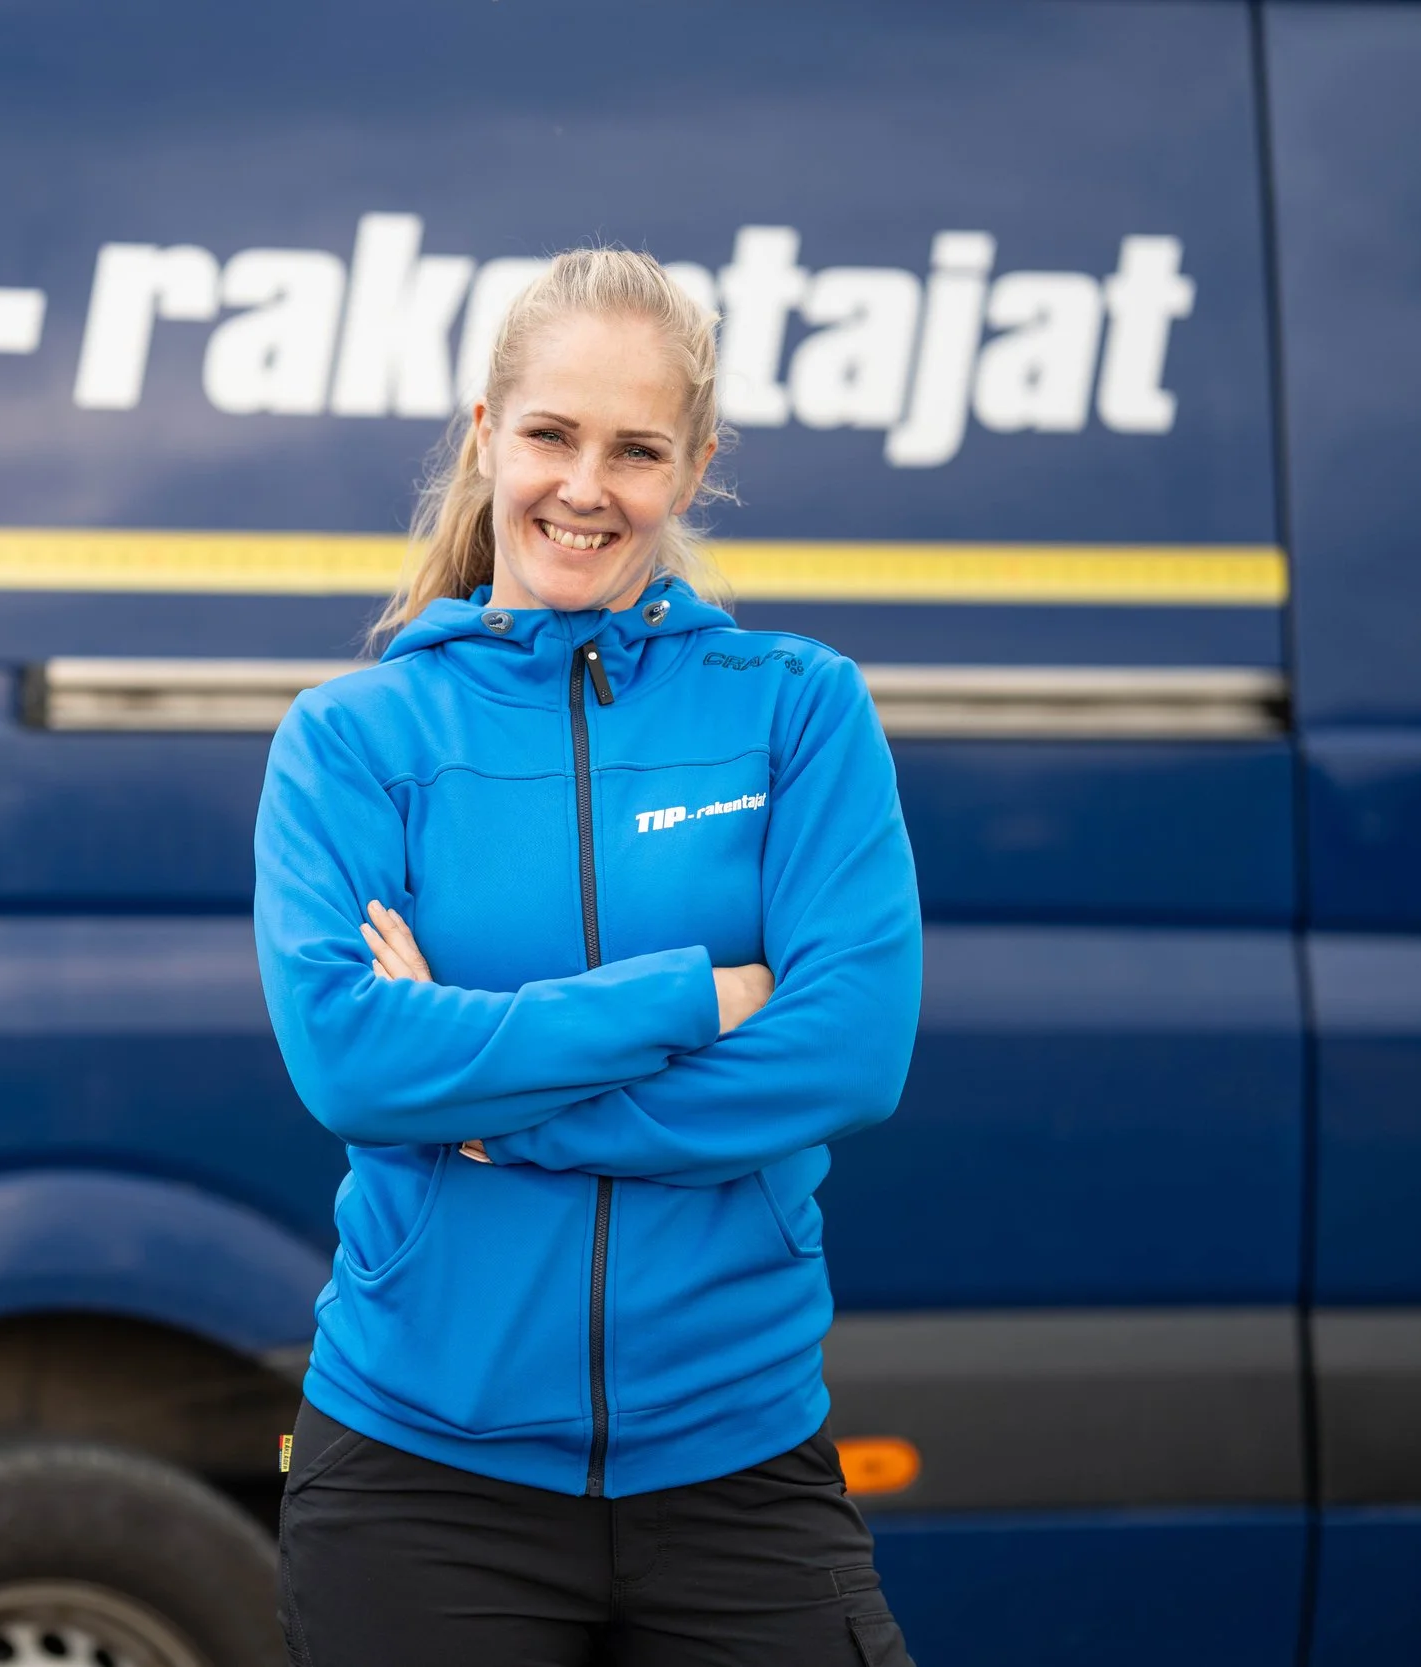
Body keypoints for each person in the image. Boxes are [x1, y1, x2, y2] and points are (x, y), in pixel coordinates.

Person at [252, 247, 922, 1666]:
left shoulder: (798, 710)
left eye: (637, 449)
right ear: (486, 435)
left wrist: (493, 1106)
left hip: (739, 1464)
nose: (585, 485)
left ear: (694, 467)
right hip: (420, 1480)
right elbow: (354, 1061)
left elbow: (851, 1054)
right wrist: (685, 997)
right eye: (552, 434)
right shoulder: (353, 738)